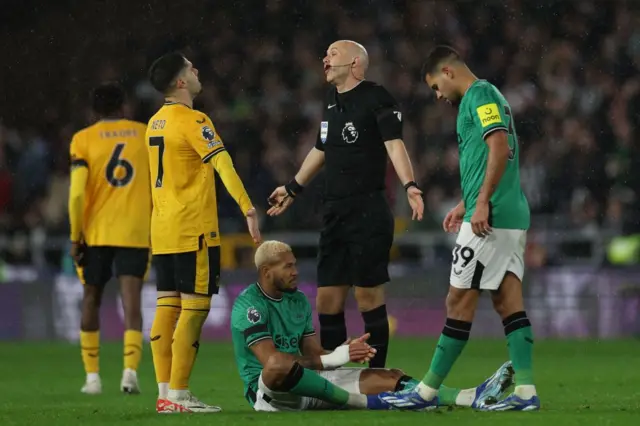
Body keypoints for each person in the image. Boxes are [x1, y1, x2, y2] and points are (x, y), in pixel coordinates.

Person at [378, 45, 538, 411]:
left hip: (491, 216)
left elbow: (499, 146)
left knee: (458, 300)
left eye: (435, 87)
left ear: (447, 72)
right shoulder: (483, 99)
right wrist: (468, 200)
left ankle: (426, 392)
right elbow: (494, 155)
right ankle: (526, 393)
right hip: (508, 213)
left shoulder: (480, 94)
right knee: (507, 301)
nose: (437, 96)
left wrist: (480, 204)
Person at [267, 40, 424, 370]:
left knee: (367, 298)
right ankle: (336, 380)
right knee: (327, 300)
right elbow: (321, 149)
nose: (325, 58)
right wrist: (293, 188)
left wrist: (410, 186)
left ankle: (376, 376)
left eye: (333, 54)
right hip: (334, 212)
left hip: (368, 211)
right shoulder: (330, 101)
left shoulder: (376, 97)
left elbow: (394, 145)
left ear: (355, 64)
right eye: (324, 53)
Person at [231, 240, 515, 412]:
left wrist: (343, 351)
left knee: (390, 377)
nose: (295, 271)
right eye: (287, 267)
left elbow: (315, 355)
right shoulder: (249, 305)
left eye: (294, 265)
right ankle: (357, 402)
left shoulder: (298, 301)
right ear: (267, 272)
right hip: (271, 394)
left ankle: (471, 397)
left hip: (310, 386)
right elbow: (271, 362)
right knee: (279, 364)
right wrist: (335, 358)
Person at [146, 52, 262, 413]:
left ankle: (165, 392)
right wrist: (247, 206)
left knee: (167, 307)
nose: (197, 71)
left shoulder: (155, 122)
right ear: (181, 82)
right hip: (193, 229)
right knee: (193, 311)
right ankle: (179, 393)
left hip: (162, 229)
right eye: (190, 68)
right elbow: (223, 163)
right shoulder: (193, 120)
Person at [68, 83, 150, 395]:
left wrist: (76, 235)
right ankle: (130, 373)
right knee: (131, 302)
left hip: (97, 232)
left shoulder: (83, 139)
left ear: (94, 110)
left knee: (91, 298)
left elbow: (76, 194)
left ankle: (92, 378)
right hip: (135, 230)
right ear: (123, 107)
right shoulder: (143, 133)